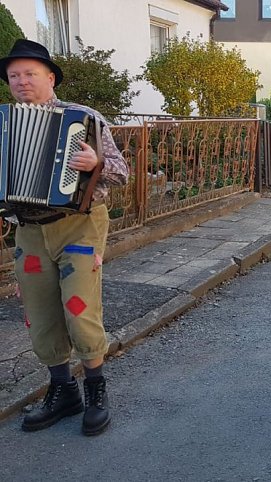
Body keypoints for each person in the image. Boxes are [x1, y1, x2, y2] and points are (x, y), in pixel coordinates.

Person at [1, 39, 129, 435]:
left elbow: (121, 173)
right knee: (39, 313)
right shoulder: (4, 124)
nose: (21, 81)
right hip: (29, 230)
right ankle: (62, 390)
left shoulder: (83, 118)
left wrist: (97, 162)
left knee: (79, 309)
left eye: (30, 73)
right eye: (14, 76)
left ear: (50, 77)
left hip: (81, 223)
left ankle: (95, 388)